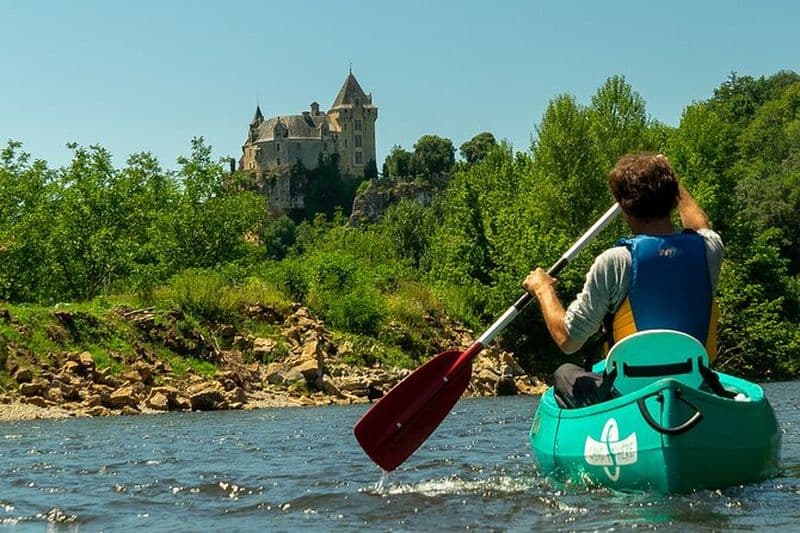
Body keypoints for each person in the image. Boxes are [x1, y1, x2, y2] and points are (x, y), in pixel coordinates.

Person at [523, 153, 724, 408]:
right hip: (694, 382)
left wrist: (543, 289)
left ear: (625, 209)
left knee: (565, 373)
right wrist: (673, 180)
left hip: (630, 392)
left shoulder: (615, 261)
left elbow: (568, 340)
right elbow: (699, 226)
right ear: (673, 199)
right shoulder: (710, 249)